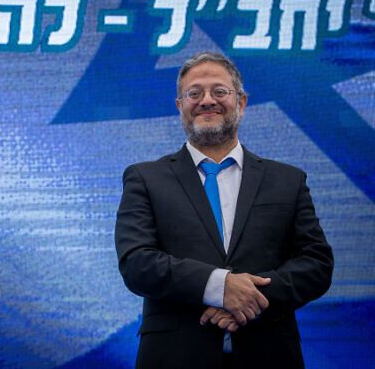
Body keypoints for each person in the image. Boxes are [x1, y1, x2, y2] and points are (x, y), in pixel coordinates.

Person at [114, 51, 333, 368]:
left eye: (219, 91)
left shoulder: (287, 180)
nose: (207, 100)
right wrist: (219, 287)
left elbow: (316, 264)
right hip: (174, 357)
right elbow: (137, 263)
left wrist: (250, 300)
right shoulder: (145, 178)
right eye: (195, 93)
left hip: (269, 354)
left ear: (241, 103)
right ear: (180, 107)